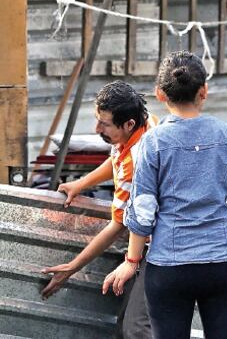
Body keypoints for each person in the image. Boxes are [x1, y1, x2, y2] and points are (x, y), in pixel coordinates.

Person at [103, 51, 227, 339]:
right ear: (204, 91)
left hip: (169, 266)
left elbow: (142, 211)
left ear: (160, 94)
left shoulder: (153, 142)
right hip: (222, 264)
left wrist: (131, 261)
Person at [41, 81, 156, 339]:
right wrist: (81, 184)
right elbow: (116, 157)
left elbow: (118, 227)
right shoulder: (146, 123)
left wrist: (72, 267)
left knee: (136, 330)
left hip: (162, 248)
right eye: (98, 120)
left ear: (128, 124)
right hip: (147, 246)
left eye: (104, 124)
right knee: (125, 327)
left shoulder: (137, 162)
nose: (97, 129)